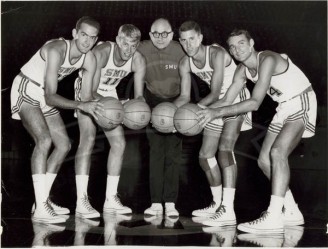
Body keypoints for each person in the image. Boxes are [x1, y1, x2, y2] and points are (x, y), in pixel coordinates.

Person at [197, 29, 317, 234]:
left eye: (241, 43)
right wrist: (204, 111)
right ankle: (292, 211)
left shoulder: (267, 59)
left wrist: (216, 113)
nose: (236, 49)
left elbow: (254, 103)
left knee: (278, 153)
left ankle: (274, 215)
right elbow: (226, 99)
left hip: (301, 101)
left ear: (251, 43)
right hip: (284, 107)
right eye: (232, 46)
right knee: (264, 161)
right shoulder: (241, 70)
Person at [10, 16, 102, 223]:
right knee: (44, 140)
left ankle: (41, 201)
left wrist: (109, 107)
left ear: (96, 40)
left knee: (64, 145)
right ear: (74, 33)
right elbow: (51, 96)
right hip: (27, 88)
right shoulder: (56, 49)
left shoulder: (90, 58)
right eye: (83, 35)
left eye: (92, 38)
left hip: (44, 96)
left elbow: (86, 97)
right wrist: (80, 105)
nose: (87, 41)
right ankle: (41, 207)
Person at [176, 21, 252, 227]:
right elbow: (183, 97)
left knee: (225, 150)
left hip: (235, 101)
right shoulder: (185, 63)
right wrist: (170, 115)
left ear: (200, 38)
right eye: (183, 40)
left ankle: (228, 209)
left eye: (192, 39)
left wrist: (194, 111)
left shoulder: (216, 54)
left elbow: (216, 92)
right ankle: (217, 203)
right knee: (204, 155)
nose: (188, 44)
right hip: (214, 106)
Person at [74, 24, 146, 218]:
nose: (128, 50)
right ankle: (81, 201)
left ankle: (110, 199)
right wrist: (118, 106)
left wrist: (137, 109)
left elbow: (139, 97)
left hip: (109, 93)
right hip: (87, 90)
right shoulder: (103, 52)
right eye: (124, 44)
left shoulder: (138, 60)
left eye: (133, 45)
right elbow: (90, 92)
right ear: (117, 40)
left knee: (119, 143)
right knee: (87, 139)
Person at [137, 18, 186, 217]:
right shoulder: (140, 47)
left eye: (164, 33)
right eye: (155, 33)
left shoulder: (182, 49)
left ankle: (171, 203)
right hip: (152, 100)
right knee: (156, 152)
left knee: (173, 153)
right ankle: (156, 202)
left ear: (172, 34)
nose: (160, 37)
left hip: (177, 101)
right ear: (149, 35)